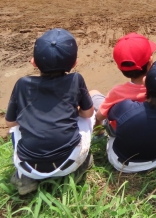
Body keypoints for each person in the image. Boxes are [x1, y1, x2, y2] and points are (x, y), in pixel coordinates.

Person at [6, 29, 94, 195]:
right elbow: (88, 113)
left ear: (34, 62)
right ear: (74, 63)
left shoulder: (22, 84)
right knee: (88, 117)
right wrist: (73, 113)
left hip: (28, 166)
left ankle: (24, 177)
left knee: (15, 128)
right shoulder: (75, 79)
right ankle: (81, 166)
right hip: (69, 162)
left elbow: (10, 123)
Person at [105, 59, 156, 173]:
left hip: (123, 164)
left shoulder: (125, 107)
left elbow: (109, 115)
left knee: (112, 127)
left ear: (144, 81)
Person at [92, 33, 156, 131]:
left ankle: (99, 134)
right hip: (153, 126)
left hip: (121, 130)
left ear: (119, 67)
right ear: (150, 62)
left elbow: (100, 116)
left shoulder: (117, 92)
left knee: (93, 93)